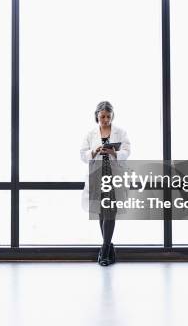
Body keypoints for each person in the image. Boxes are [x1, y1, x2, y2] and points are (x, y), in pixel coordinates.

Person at [80, 101, 131, 266]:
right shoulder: (90, 134)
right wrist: (94, 151)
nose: (105, 119)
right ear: (97, 116)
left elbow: (127, 151)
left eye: (108, 116)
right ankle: (109, 248)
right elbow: (82, 154)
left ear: (112, 116)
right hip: (97, 176)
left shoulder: (121, 133)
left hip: (113, 176)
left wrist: (114, 152)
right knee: (101, 212)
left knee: (111, 211)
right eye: (102, 116)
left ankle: (104, 250)